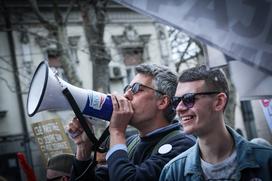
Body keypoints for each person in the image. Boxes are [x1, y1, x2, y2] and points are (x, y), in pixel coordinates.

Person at [66, 63, 195, 181]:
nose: (126, 95)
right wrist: (84, 148)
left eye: (136, 88)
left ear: (162, 102)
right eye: (127, 88)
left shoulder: (183, 146)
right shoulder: (130, 143)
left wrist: (117, 131)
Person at [160, 65, 272, 181]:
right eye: (176, 101)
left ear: (219, 102)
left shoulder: (267, 161)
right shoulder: (173, 172)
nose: (179, 108)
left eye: (188, 99)